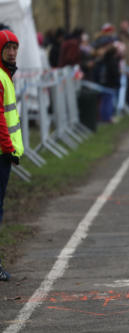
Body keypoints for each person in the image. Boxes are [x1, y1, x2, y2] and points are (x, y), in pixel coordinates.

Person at [0, 29, 24, 281]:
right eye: (7, 47)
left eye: (15, 47)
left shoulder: (6, 76)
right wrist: (8, 148)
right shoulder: (0, 77)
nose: (12, 52)